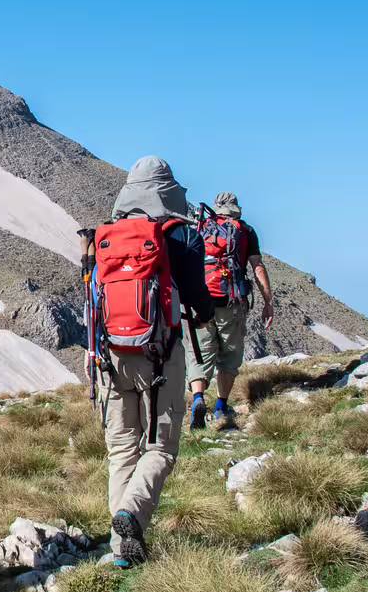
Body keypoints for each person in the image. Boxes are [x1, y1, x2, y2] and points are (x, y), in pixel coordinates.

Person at [97, 157, 215, 569]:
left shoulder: (107, 236)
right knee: (161, 448)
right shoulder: (181, 235)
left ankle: (120, 551)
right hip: (161, 354)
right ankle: (131, 514)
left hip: (112, 359)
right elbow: (200, 302)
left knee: (122, 451)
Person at [191, 192, 275, 432]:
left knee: (200, 353)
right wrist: (268, 301)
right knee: (229, 356)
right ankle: (221, 405)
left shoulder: (201, 228)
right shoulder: (245, 231)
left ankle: (198, 399)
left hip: (201, 301)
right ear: (236, 209)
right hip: (232, 301)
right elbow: (256, 266)